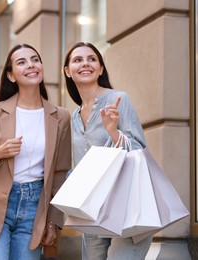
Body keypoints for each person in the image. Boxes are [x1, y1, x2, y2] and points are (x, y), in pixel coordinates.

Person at [0, 43, 72, 259]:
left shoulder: (60, 117)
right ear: (11, 75)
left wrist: (54, 222)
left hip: (35, 209)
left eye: (35, 60)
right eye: (21, 62)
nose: (31, 65)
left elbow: (61, 174)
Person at [63, 41, 153, 260]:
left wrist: (113, 131)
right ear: (67, 71)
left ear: (100, 68)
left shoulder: (117, 100)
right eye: (78, 60)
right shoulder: (73, 117)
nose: (85, 64)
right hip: (93, 209)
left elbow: (138, 150)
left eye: (92, 59)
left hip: (128, 205)